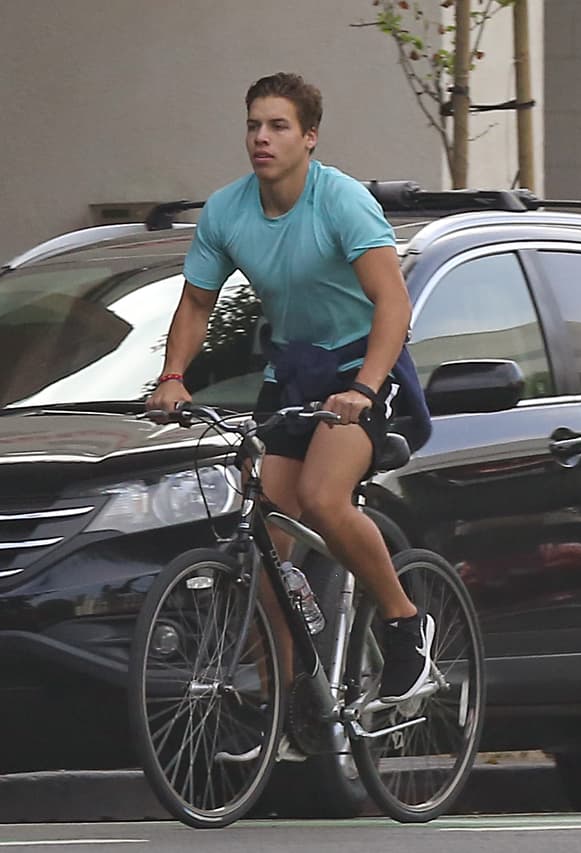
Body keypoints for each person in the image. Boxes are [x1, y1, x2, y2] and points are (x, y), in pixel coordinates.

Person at [145, 72, 435, 710]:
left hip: (361, 367)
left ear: (309, 137)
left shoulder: (341, 202)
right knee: (261, 540)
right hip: (293, 372)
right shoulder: (227, 209)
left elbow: (393, 301)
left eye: (277, 126)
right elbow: (197, 302)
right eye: (253, 125)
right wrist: (172, 377)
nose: (261, 138)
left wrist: (364, 387)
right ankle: (289, 697)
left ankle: (404, 623)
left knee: (320, 498)